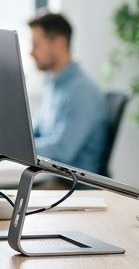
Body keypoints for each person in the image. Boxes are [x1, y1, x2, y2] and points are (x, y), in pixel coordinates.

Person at [27, 11, 109, 174]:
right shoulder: (55, 84)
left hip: (71, 186)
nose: (31, 52)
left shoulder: (82, 92)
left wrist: (14, 146)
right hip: (52, 177)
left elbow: (63, 151)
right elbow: (38, 131)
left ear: (60, 43)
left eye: (37, 45)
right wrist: (1, 140)